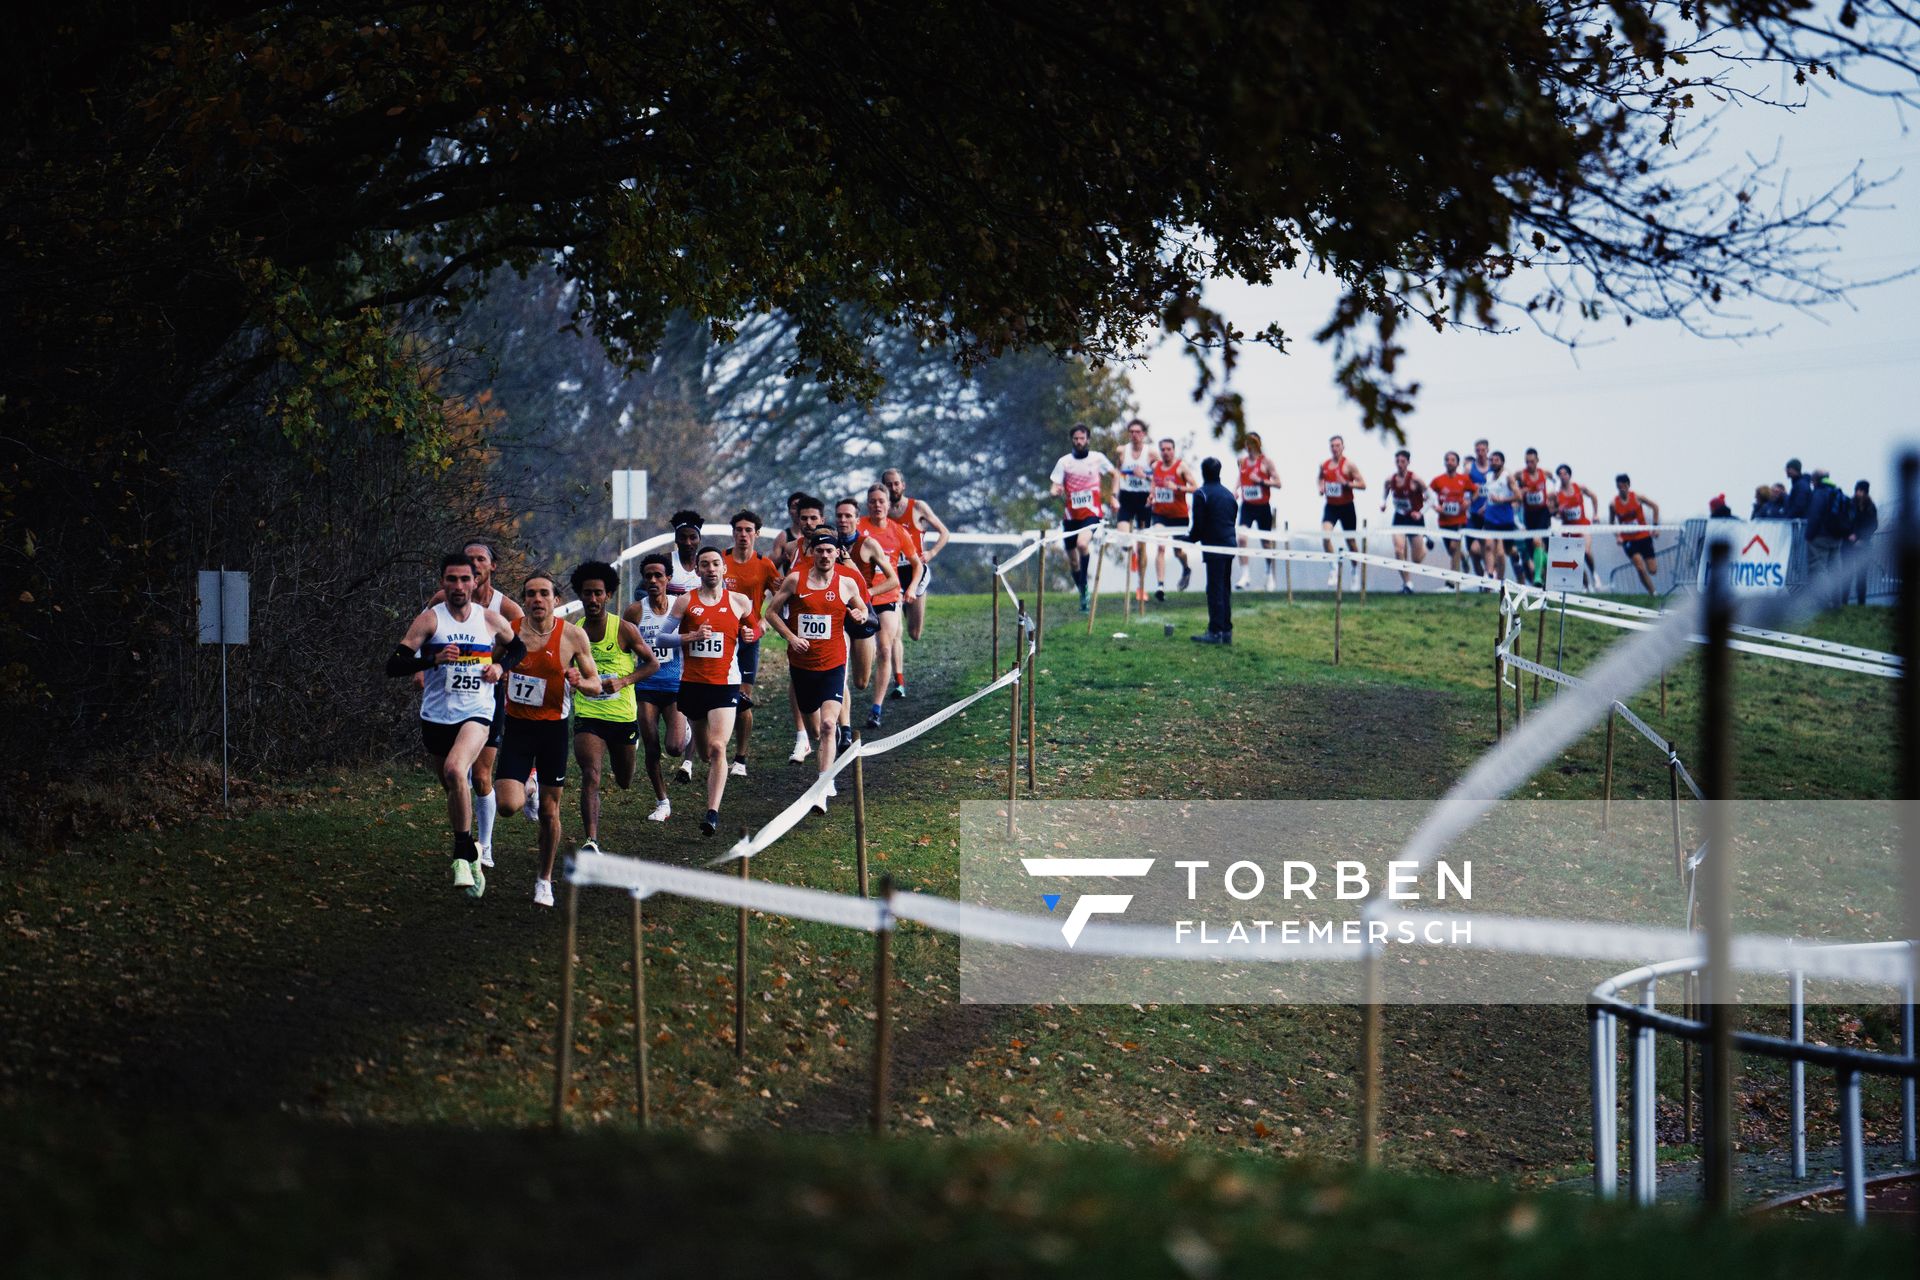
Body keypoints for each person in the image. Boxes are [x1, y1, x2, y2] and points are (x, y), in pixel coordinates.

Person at [387, 554, 521, 898]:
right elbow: (394, 665)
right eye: (452, 580)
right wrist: (432, 659)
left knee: (455, 770)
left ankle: (462, 854)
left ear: (475, 582)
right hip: (436, 716)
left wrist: (501, 667)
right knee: (452, 787)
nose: (459, 587)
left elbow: (518, 648)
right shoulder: (430, 621)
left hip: (478, 710)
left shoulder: (490, 619)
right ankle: (471, 851)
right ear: (443, 583)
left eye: (465, 579)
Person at [493, 573, 601, 907]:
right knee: (507, 806)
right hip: (517, 728)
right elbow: (492, 663)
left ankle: (544, 880)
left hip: (553, 730)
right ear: (524, 600)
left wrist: (578, 681)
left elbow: (595, 683)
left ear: (556, 599)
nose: (537, 599)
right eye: (530, 594)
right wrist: (499, 670)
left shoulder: (572, 635)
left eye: (544, 594)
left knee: (550, 814)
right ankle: (529, 788)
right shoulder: (509, 631)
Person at [423, 540, 524, 868]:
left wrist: (502, 668)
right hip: (447, 698)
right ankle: (465, 833)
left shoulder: (506, 609)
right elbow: (423, 639)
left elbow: (522, 649)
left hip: (485, 696)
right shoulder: (441, 601)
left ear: (492, 566)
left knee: (481, 774)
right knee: (453, 777)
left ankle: (485, 846)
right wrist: (423, 669)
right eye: (468, 560)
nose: (474, 565)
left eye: (481, 559)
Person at [764, 531, 871, 811]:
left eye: (830, 551)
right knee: (816, 730)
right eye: (820, 551)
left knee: (828, 725)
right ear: (812, 552)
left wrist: (859, 614)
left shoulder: (846, 583)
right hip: (802, 666)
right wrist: (791, 637)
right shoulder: (795, 580)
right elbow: (771, 613)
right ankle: (828, 764)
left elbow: (862, 609)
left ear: (837, 554)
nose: (825, 555)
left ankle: (821, 787)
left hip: (833, 663)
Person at [570, 560, 659, 851]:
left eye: (598, 593)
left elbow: (652, 664)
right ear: (580, 595)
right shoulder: (573, 632)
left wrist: (624, 681)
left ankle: (629, 753)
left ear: (608, 595)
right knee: (591, 774)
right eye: (587, 593)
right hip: (588, 713)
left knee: (623, 780)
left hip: (622, 716)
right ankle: (591, 840)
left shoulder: (624, 629)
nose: (593, 599)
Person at [668, 546, 752, 836]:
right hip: (692, 684)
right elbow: (664, 639)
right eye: (705, 564)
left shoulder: (740, 602)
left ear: (723, 569)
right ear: (698, 570)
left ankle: (712, 812)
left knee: (718, 747)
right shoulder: (684, 602)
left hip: (725, 684)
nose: (711, 569)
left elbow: (756, 628)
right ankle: (699, 749)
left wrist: (752, 633)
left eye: (716, 563)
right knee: (704, 753)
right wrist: (691, 636)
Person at [623, 553, 687, 823]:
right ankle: (663, 801)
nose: (652, 580)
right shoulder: (636, 610)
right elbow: (623, 647)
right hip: (646, 686)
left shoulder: (680, 606)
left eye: (658, 575)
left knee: (674, 748)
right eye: (648, 576)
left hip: (675, 686)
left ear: (668, 578)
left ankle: (688, 729)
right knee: (651, 746)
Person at [857, 484, 923, 730]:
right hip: (861, 598)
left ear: (888, 504)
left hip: (888, 596)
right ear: (867, 504)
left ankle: (876, 708)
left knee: (884, 649)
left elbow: (916, 563)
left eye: (881, 501)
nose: (877, 505)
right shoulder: (858, 525)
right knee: (862, 661)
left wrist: (913, 588)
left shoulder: (898, 531)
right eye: (872, 501)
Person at [722, 510, 780, 778]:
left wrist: (764, 624)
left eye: (748, 530)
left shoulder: (765, 565)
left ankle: (740, 759)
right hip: (721, 639)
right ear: (732, 532)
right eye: (739, 530)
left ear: (757, 533)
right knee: (717, 698)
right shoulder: (719, 561)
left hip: (749, 640)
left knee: (743, 700)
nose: (743, 535)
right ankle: (715, 752)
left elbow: (781, 599)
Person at [833, 498, 900, 729]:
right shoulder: (827, 543)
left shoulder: (868, 544)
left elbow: (893, 579)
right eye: (839, 515)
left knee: (861, 681)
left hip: (862, 615)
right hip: (835, 616)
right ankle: (845, 728)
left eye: (848, 516)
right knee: (838, 672)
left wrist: (866, 592)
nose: (843, 520)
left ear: (857, 519)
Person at [1047, 423, 1118, 610]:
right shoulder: (1064, 462)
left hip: (1092, 513)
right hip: (1071, 516)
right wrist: (1055, 492)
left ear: (1088, 439)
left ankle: (1085, 586)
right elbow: (1054, 487)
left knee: (1082, 544)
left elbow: (1115, 475)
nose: (1079, 442)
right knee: (1072, 559)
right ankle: (1082, 592)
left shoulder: (1097, 459)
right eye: (1076, 439)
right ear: (1072, 440)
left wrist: (1114, 496)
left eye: (1082, 438)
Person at [782, 495, 830, 762]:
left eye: (814, 518)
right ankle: (802, 737)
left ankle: (840, 727)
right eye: (804, 519)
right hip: (798, 623)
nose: (809, 523)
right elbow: (778, 580)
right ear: (797, 520)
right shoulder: (791, 548)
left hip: (831, 621)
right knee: (797, 679)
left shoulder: (832, 547)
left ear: (822, 519)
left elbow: (852, 580)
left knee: (838, 676)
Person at [884, 467, 949, 652]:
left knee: (914, 634)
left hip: (915, 572)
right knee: (893, 628)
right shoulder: (881, 510)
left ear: (903, 485)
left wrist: (932, 553)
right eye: (888, 485)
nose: (893, 488)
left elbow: (944, 532)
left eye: (896, 483)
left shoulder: (917, 507)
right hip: (891, 572)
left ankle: (907, 604)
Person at [1182, 458, 1239, 644]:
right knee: (1224, 588)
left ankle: (1215, 631)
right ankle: (1226, 631)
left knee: (1214, 589)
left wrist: (1188, 539)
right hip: (1230, 545)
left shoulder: (1201, 494)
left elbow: (1198, 526)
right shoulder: (1229, 495)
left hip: (1214, 548)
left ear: (1203, 472)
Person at [1112, 418, 1156, 606]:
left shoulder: (1151, 453)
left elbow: (1158, 476)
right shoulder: (1122, 451)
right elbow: (1116, 473)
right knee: (1123, 536)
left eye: (1138, 432)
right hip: (1127, 498)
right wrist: (1114, 496)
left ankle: (1141, 585)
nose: (1134, 435)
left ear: (1144, 434)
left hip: (1144, 500)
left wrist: (1150, 488)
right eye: (1131, 432)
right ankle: (1132, 553)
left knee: (1142, 545)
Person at [1148, 437, 1198, 600]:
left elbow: (1195, 488)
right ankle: (1160, 586)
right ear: (1160, 451)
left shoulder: (1181, 467)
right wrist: (1151, 495)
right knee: (1161, 546)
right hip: (1160, 514)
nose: (1166, 452)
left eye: (1169, 449)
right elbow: (1154, 484)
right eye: (1163, 449)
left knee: (1178, 551)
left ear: (1174, 450)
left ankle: (1186, 568)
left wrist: (1177, 487)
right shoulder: (1156, 467)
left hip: (1179, 516)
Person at [1317, 434, 1365, 588]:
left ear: (1343, 447)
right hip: (1331, 506)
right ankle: (1333, 568)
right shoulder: (1324, 465)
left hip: (1346, 506)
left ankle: (1355, 571)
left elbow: (1363, 484)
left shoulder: (1349, 465)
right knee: (1325, 536)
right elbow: (1320, 478)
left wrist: (1347, 484)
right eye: (1332, 446)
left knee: (1351, 541)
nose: (1335, 448)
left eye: (1338, 445)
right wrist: (1321, 487)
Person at [1234, 432, 1281, 589]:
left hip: (1262, 506)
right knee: (1241, 538)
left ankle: (1269, 574)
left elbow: (1278, 483)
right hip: (1247, 506)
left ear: (1258, 445)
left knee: (1266, 543)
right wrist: (1235, 489)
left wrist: (1261, 481)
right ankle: (1245, 575)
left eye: (1251, 444)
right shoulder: (1242, 461)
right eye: (1246, 444)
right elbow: (1240, 477)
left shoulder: (1266, 462)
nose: (1248, 447)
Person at [1380, 449, 1428, 594]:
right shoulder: (1390, 480)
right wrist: (1383, 503)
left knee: (1417, 559)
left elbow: (1432, 498)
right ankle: (1407, 583)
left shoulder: (1416, 479)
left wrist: (1420, 513)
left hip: (1414, 519)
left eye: (1402, 462)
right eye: (1397, 461)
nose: (1400, 464)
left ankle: (1424, 544)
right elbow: (1385, 492)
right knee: (1399, 549)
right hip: (1399, 518)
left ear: (1408, 462)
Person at [1609, 475, 1662, 595]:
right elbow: (1611, 523)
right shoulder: (1613, 504)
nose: (1622, 489)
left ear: (1628, 485)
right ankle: (1652, 592)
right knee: (1639, 567)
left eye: (1624, 486)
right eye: (1619, 487)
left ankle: (1651, 588)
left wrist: (1655, 527)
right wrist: (1618, 536)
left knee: (1652, 570)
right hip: (1628, 540)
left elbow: (1655, 506)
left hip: (1643, 536)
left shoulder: (1637, 497)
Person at [1429, 451, 1475, 579]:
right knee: (1451, 550)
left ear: (1457, 463)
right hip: (1444, 521)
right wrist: (1435, 507)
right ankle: (1464, 557)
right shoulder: (1438, 480)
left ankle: (1452, 578)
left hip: (1460, 519)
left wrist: (1469, 502)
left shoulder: (1464, 479)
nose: (1449, 462)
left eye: (1452, 460)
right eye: (1447, 460)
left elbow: (1475, 491)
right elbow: (1426, 494)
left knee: (1454, 547)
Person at [1553, 464, 1598, 588]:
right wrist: (1557, 514)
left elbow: (1593, 497)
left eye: (1565, 474)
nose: (1563, 477)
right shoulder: (1557, 495)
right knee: (1576, 560)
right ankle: (1587, 586)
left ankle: (1594, 574)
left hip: (1583, 525)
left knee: (1586, 552)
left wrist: (1595, 514)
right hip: (1568, 530)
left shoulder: (1579, 488)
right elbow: (1554, 512)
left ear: (1569, 475)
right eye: (1560, 474)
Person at [1513, 448, 1553, 587]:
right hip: (1529, 515)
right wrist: (1520, 491)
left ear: (1537, 461)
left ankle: (1537, 578)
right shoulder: (1520, 475)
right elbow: (1510, 484)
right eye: (1527, 462)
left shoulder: (1545, 473)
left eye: (1532, 461)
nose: (1529, 464)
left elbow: (1555, 483)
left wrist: (1552, 500)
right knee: (1537, 549)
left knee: (1538, 542)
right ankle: (1554, 566)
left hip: (1543, 513)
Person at [1478, 451, 1519, 582]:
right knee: (1489, 545)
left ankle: (1515, 554)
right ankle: (1490, 574)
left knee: (1505, 551)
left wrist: (1501, 500)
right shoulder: (1488, 476)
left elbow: (1519, 496)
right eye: (1491, 460)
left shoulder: (1508, 477)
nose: (1493, 462)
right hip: (1490, 517)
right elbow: (1490, 495)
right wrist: (1484, 507)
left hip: (1505, 519)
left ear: (1502, 462)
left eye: (1496, 460)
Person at [1806, 470, 1854, 578]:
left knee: (1818, 570)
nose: (1812, 484)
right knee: (1835, 571)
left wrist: (1809, 535)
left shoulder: (1819, 493)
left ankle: (1821, 595)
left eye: (1812, 481)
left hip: (1820, 537)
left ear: (1816, 480)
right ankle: (1835, 595)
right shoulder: (1837, 492)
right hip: (1836, 538)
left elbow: (1815, 515)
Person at [1464, 438, 1495, 572]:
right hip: (1473, 514)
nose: (1480, 453)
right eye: (1478, 450)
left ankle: (1490, 575)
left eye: (1483, 450)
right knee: (1473, 551)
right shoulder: (1469, 468)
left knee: (1488, 546)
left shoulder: (1494, 468)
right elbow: (1463, 489)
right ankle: (1481, 578)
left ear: (1488, 450)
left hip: (1490, 514)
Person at [1850, 480, 1880, 605]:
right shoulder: (1851, 504)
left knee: (1861, 576)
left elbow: (1873, 525)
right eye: (1857, 490)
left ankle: (1861, 603)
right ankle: (1843, 603)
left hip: (1864, 545)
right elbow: (1847, 521)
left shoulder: (1870, 507)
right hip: (1851, 544)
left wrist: (1862, 539)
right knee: (1847, 575)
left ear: (1865, 492)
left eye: (1861, 491)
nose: (1858, 493)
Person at [769, 491, 812, 576]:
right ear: (789, 511)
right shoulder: (783, 536)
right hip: (791, 586)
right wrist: (782, 558)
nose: (798, 511)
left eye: (801, 506)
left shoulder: (818, 535)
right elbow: (770, 568)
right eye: (794, 507)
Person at [664, 510, 705, 595]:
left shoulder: (706, 563)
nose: (688, 543)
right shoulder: (665, 561)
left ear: (699, 539)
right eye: (683, 538)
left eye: (693, 538)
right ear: (676, 539)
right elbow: (641, 591)